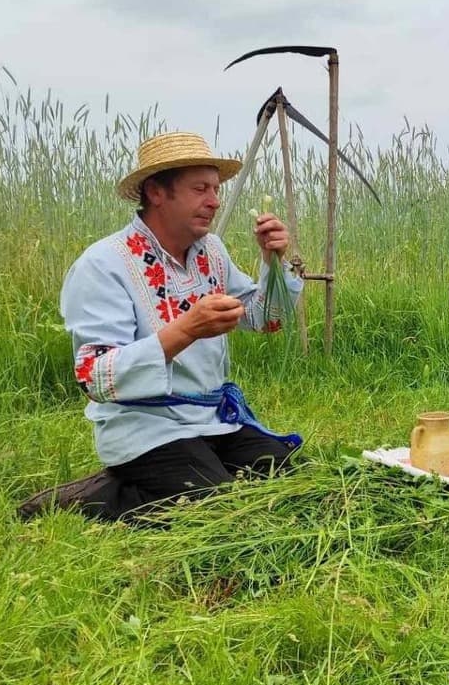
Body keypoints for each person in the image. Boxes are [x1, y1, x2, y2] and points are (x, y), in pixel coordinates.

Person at [18, 131, 304, 522]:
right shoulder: (104, 264)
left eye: (216, 189)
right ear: (156, 192)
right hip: (145, 427)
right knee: (217, 508)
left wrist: (274, 262)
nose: (214, 201)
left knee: (288, 477)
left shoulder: (211, 252)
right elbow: (96, 377)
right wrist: (186, 329)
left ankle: (192, 473)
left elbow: (265, 319)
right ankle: (91, 497)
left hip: (211, 419)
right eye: (200, 188)